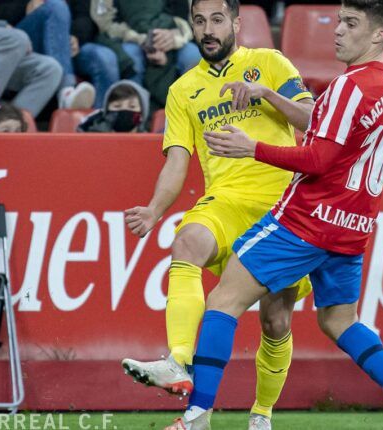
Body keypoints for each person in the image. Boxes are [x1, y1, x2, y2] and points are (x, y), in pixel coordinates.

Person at [163, 1, 383, 429]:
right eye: (338, 21)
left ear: (377, 35)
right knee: (339, 320)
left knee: (223, 300)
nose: (337, 31)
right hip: (353, 228)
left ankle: (196, 416)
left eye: (351, 24)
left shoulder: (348, 87)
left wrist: (251, 147)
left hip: (305, 221)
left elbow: (315, 159)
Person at [120, 0, 316, 428]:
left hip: (281, 205)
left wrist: (266, 94)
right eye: (199, 21)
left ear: (236, 23)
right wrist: (155, 210)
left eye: (216, 19)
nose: (207, 29)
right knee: (186, 240)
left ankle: (261, 415)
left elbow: (314, 119)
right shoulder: (182, 90)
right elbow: (176, 162)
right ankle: (179, 363)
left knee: (276, 321)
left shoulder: (268, 62)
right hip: (225, 200)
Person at [92, 0, 202, 109]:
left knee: (193, 57)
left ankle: (198, 113)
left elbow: (185, 17)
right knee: (133, 59)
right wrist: (140, 38)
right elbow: (105, 24)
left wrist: (174, 36)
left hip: (172, 37)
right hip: (129, 38)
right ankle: (135, 117)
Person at [0, 0, 98, 109]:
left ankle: (100, 120)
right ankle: (66, 89)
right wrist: (25, 6)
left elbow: (84, 17)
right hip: (21, 38)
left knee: (104, 57)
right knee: (56, 6)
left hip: (66, 43)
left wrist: (76, 36)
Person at [77, 80, 151, 132]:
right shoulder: (94, 136)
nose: (124, 110)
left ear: (142, 113)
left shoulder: (150, 144)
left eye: (132, 106)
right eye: (117, 106)